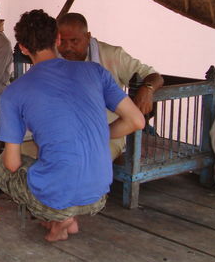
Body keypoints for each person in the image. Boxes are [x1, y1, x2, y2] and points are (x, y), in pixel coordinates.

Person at [0, 9, 145, 242]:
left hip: (58, 196)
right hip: (98, 195)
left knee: (1, 167)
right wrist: (102, 134)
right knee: (50, 160)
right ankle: (62, 219)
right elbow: (137, 121)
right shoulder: (95, 71)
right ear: (57, 39)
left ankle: (59, 217)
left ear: (22, 48)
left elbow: (12, 164)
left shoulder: (13, 93)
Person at [57, 13, 164, 160]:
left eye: (74, 41)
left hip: (109, 134)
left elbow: (154, 76)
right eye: (62, 41)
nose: (68, 47)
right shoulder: (53, 57)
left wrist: (148, 89)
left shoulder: (112, 55)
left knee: (85, 160)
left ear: (88, 37)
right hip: (65, 132)